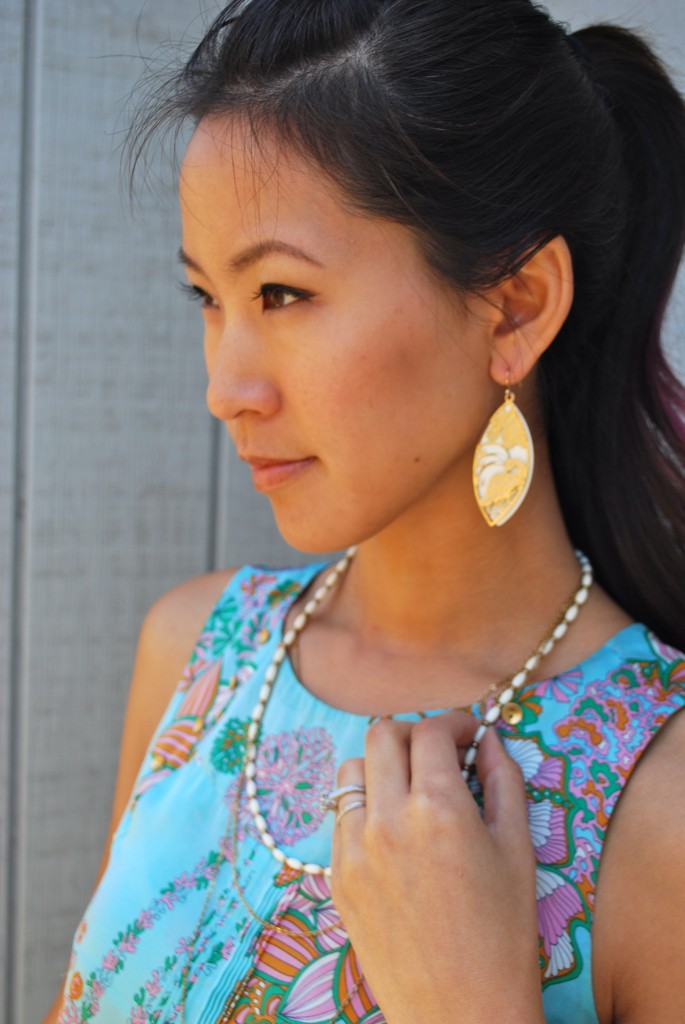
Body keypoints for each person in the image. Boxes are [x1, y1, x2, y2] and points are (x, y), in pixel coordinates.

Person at [45, 1, 685, 1022]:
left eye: (282, 295)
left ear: (515, 306)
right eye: (208, 298)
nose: (226, 385)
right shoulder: (196, 654)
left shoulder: (660, 802)